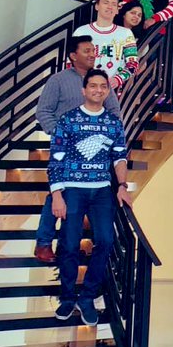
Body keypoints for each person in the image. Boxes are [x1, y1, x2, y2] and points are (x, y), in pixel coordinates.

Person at [48, 69, 133, 326]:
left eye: (103, 86)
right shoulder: (68, 120)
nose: (98, 90)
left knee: (106, 241)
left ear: (108, 91)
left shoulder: (113, 122)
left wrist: (122, 186)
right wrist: (57, 195)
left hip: (102, 191)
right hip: (72, 189)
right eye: (93, 86)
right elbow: (56, 159)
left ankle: (87, 297)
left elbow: (119, 156)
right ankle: (67, 297)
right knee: (69, 244)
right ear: (84, 90)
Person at [32, 36, 121, 263]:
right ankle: (44, 242)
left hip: (94, 149)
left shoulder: (100, 81)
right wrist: (61, 134)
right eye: (86, 51)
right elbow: (43, 111)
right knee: (57, 192)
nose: (92, 54)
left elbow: (114, 112)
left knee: (80, 199)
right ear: (73, 55)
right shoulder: (58, 80)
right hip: (65, 147)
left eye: (93, 51)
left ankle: (67, 247)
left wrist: (105, 135)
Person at [72, 0, 138, 93]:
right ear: (97, 6)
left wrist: (117, 79)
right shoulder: (81, 32)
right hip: (83, 90)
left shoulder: (126, 33)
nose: (110, 7)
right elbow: (71, 62)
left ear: (117, 10)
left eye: (114, 4)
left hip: (112, 91)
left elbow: (132, 64)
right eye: (106, 2)